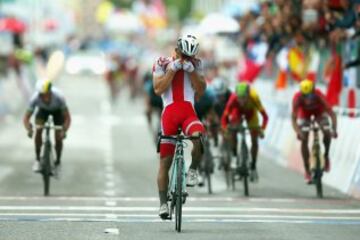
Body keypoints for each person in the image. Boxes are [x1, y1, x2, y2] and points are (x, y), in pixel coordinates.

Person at [152, 34, 206, 219]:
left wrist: (191, 71)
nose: (186, 60)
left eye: (190, 57)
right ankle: (162, 204)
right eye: (184, 56)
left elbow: (201, 90)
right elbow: (158, 89)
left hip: (188, 113)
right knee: (165, 162)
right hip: (170, 114)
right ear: (176, 51)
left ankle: (193, 169)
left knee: (199, 136)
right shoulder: (161, 62)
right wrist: (172, 70)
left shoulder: (197, 65)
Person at [291, 79, 337, 184]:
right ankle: (307, 170)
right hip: (305, 115)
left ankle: (326, 156)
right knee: (304, 138)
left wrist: (333, 129)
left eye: (310, 95)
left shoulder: (319, 94)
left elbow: (331, 113)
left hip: (319, 113)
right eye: (305, 96)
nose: (308, 100)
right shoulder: (297, 98)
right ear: (301, 93)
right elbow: (293, 119)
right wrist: (298, 131)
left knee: (326, 131)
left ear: (313, 91)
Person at [221, 82, 268, 182]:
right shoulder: (233, 99)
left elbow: (265, 117)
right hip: (237, 112)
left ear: (248, 95)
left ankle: (253, 165)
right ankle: (234, 156)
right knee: (233, 128)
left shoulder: (254, 97)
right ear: (236, 96)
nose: (241, 100)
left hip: (251, 113)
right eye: (240, 98)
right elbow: (224, 118)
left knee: (254, 139)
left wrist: (262, 129)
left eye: (244, 98)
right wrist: (226, 130)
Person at [23, 80, 71, 177]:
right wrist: (29, 128)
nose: (45, 97)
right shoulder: (35, 98)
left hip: (57, 112)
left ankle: (57, 162)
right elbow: (26, 118)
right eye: (42, 95)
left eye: (47, 94)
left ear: (51, 92)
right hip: (42, 111)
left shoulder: (59, 97)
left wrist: (64, 130)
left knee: (58, 136)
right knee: (39, 130)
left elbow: (67, 118)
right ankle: (37, 159)